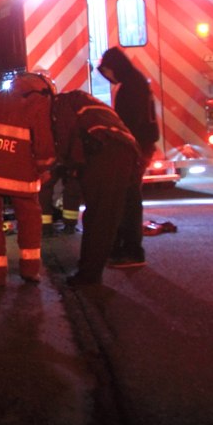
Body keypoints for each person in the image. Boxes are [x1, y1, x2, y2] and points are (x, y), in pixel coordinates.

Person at [0, 72, 56, 286]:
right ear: (44, 87)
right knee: (29, 219)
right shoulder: (39, 100)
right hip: (19, 170)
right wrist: (45, 166)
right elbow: (43, 138)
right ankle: (30, 271)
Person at [51, 90, 141, 286]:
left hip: (107, 150)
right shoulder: (79, 101)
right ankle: (93, 265)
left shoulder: (60, 105)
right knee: (105, 213)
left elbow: (65, 136)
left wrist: (63, 165)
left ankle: (89, 275)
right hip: (126, 150)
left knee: (100, 216)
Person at [97, 47, 160, 266]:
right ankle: (127, 247)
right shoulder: (136, 81)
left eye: (108, 71)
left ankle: (132, 250)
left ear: (115, 67)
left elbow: (129, 123)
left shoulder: (131, 87)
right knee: (129, 197)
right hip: (140, 145)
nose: (109, 77)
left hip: (135, 147)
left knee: (129, 199)